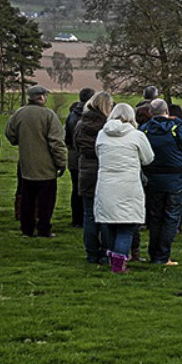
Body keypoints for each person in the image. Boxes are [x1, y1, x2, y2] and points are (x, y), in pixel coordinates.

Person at [94, 103, 155, 273]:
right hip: (128, 185)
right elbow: (148, 158)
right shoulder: (137, 135)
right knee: (126, 227)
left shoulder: (102, 135)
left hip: (106, 184)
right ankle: (118, 264)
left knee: (111, 224)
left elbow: (98, 154)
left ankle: (111, 258)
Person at [139, 99, 182, 266]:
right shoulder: (176, 129)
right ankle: (163, 256)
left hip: (152, 179)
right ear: (167, 111)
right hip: (175, 179)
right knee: (171, 217)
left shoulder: (144, 130)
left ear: (151, 113)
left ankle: (154, 253)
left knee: (155, 217)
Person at [5, 85, 68, 238]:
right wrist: (61, 162)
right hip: (46, 167)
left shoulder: (19, 113)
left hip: (26, 164)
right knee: (46, 201)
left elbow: (10, 134)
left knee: (27, 199)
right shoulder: (49, 115)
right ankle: (44, 229)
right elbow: (56, 141)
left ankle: (27, 229)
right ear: (41, 97)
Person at [72, 91, 113, 263]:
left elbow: (75, 145)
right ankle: (105, 252)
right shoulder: (108, 125)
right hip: (104, 169)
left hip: (86, 170)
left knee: (89, 215)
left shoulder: (81, 124)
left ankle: (91, 253)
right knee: (105, 215)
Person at [64, 87, 95, 229]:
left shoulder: (71, 115)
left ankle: (76, 218)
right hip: (85, 155)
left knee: (76, 188)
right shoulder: (90, 116)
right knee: (88, 189)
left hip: (73, 155)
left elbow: (67, 138)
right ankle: (87, 217)